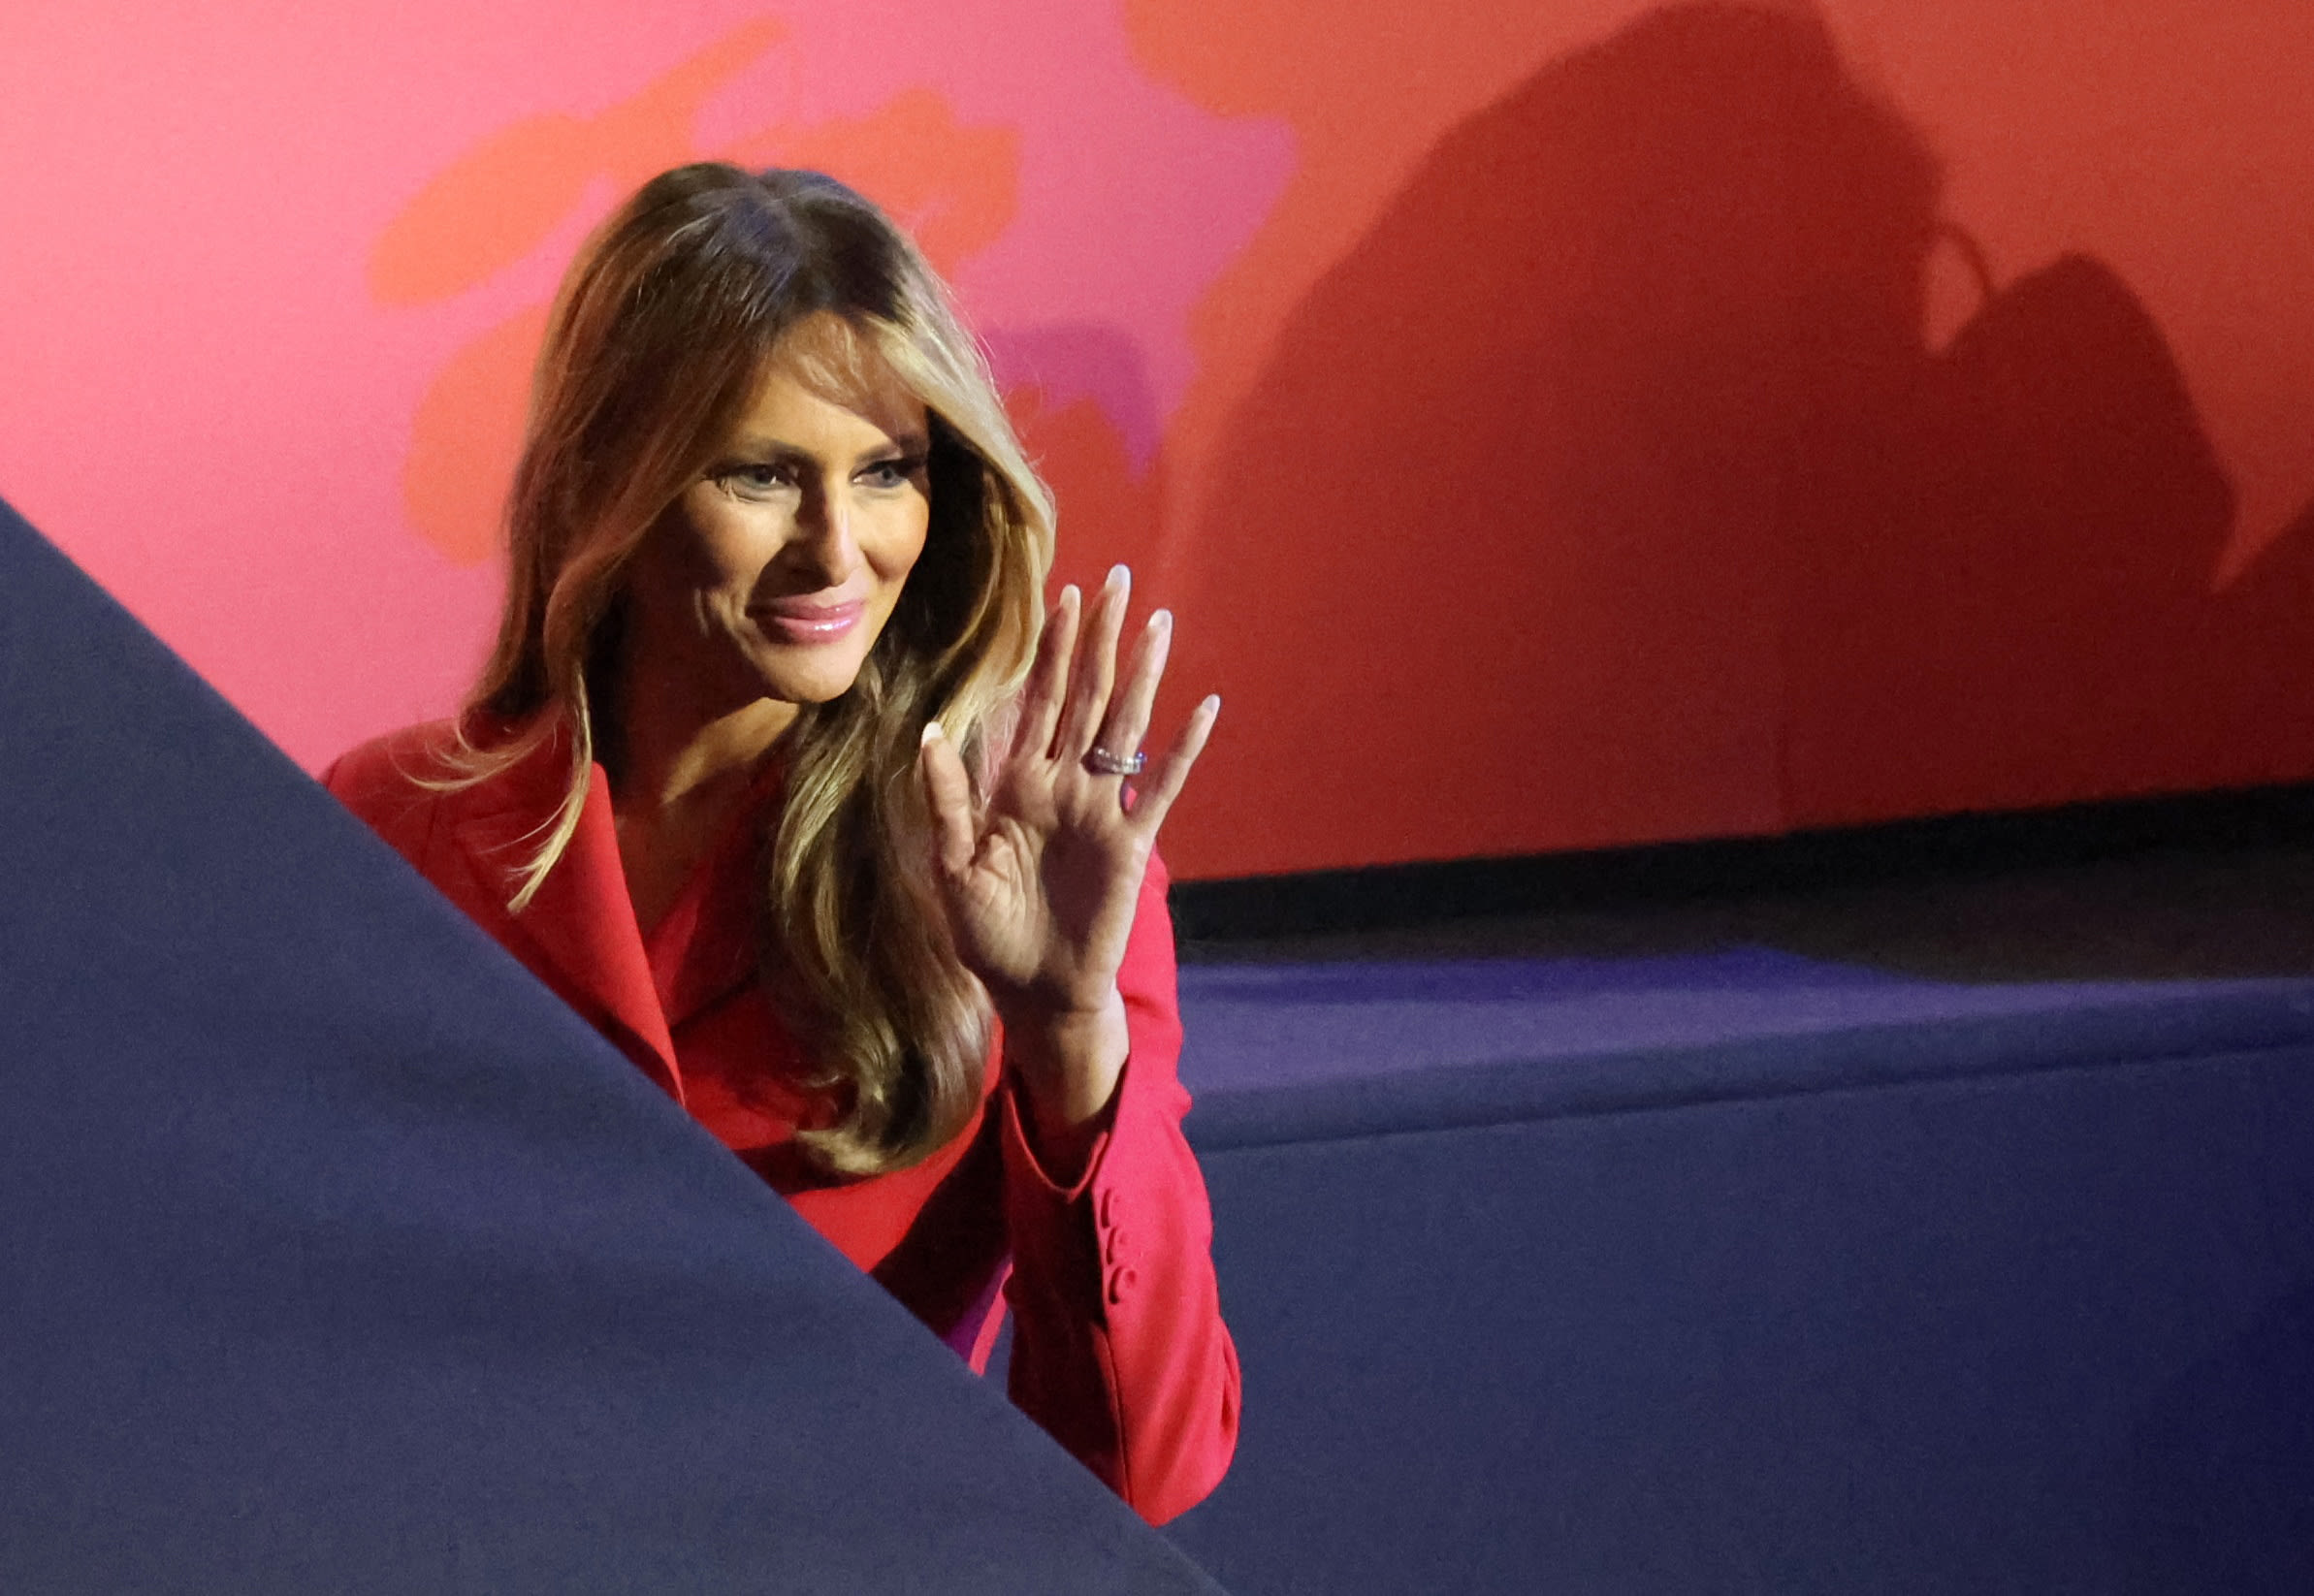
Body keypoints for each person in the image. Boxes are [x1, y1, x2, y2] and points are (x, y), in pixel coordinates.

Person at [325, 162, 1237, 1523]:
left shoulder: (1015, 872)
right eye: (761, 475)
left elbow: (1138, 1470)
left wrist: (1067, 1038)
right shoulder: (390, 821)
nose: (837, 548)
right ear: (611, 481)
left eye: (887, 474)